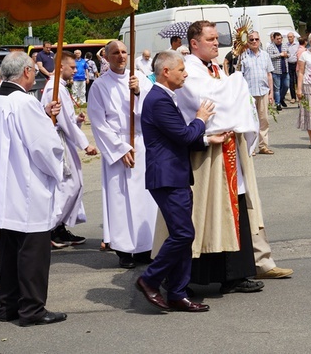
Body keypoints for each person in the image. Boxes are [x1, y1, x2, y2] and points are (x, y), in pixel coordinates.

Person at [172, 21, 291, 291]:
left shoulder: (213, 67)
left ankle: (236, 273)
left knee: (236, 205)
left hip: (229, 146)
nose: (216, 43)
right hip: (208, 152)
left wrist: (233, 85)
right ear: (194, 43)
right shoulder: (189, 69)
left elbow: (235, 97)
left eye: (217, 38)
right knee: (212, 211)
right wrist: (236, 83)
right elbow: (211, 101)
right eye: (211, 39)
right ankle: (200, 275)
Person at [0, 51, 67, 327]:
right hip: (27, 186)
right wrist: (59, 168)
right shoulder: (23, 102)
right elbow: (43, 146)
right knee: (33, 252)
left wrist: (43, 116)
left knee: (9, 250)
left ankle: (9, 306)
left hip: (5, 188)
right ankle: (32, 310)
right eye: (35, 72)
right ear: (27, 72)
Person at [136, 50, 218, 313]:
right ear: (166, 72)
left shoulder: (164, 97)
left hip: (174, 174)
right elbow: (183, 135)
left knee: (182, 235)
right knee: (184, 234)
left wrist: (205, 139)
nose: (186, 74)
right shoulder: (159, 99)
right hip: (167, 177)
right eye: (181, 69)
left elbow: (176, 137)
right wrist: (201, 120)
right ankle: (149, 279)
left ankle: (177, 293)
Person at [87, 41, 158, 268]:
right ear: (106, 57)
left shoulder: (140, 79)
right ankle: (124, 249)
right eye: (115, 53)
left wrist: (138, 92)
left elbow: (154, 108)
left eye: (124, 52)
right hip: (117, 146)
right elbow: (98, 122)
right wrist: (119, 149)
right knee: (120, 198)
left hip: (140, 142)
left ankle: (146, 246)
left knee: (146, 197)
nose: (121, 56)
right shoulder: (99, 86)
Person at [42, 52, 98, 249]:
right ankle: (51, 228)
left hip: (63, 138)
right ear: (60, 67)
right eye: (72, 67)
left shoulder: (60, 88)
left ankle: (58, 227)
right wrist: (85, 144)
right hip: (58, 142)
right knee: (69, 185)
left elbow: (66, 119)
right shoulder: (53, 89)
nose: (75, 70)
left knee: (73, 184)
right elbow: (63, 121)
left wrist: (77, 120)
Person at [239, 31, 274, 155]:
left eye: (256, 39)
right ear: (247, 42)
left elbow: (269, 75)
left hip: (263, 91)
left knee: (263, 119)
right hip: (249, 93)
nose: (254, 41)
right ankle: (251, 147)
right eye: (251, 40)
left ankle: (263, 146)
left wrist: (271, 93)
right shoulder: (243, 56)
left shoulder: (265, 55)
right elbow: (239, 76)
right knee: (250, 120)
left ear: (260, 40)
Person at [267, 32, 290, 110]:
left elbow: (289, 54)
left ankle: (281, 98)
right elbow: (269, 57)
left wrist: (286, 55)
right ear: (273, 39)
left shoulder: (285, 45)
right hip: (276, 71)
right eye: (277, 39)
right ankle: (278, 103)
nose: (279, 40)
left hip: (285, 70)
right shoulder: (270, 47)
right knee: (277, 88)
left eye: (280, 38)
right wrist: (280, 55)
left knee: (286, 86)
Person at [286, 32, 299, 103]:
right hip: (289, 64)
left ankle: (299, 96)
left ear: (294, 37)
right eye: (288, 37)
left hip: (296, 64)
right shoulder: (286, 45)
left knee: (297, 80)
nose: (289, 38)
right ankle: (293, 97)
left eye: (291, 37)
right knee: (291, 81)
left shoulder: (297, 44)